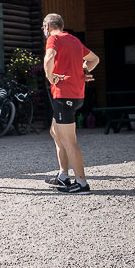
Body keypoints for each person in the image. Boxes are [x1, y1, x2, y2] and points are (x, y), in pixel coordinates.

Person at [42, 13, 99, 193]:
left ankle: (82, 183)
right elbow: (94, 59)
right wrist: (83, 71)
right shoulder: (74, 40)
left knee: (69, 140)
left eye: (44, 27)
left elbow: (49, 59)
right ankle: (63, 176)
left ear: (48, 26)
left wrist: (50, 76)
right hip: (75, 95)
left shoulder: (54, 39)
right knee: (55, 132)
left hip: (64, 95)